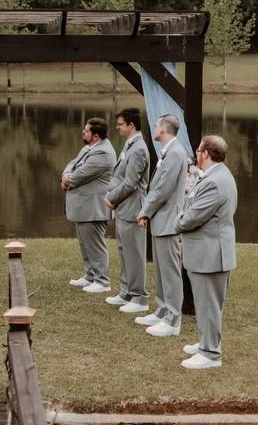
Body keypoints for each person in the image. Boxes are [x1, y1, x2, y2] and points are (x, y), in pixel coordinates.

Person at [176, 135, 238, 370]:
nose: (196, 155)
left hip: (210, 253)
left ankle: (211, 354)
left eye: (198, 150)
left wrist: (178, 220)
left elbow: (191, 218)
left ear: (206, 153)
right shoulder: (217, 176)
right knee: (205, 303)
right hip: (207, 250)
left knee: (209, 304)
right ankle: (206, 342)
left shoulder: (215, 181)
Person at [136, 115, 189, 337]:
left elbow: (163, 189)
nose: (154, 128)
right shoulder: (168, 152)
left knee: (170, 270)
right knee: (160, 269)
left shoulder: (176, 153)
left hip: (168, 220)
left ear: (164, 129)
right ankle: (162, 309)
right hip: (161, 219)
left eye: (157, 125)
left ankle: (173, 319)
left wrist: (144, 210)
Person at [103, 109, 151, 312]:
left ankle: (139, 298)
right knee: (124, 251)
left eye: (121, 124)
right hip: (124, 208)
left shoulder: (139, 148)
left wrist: (111, 198)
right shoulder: (130, 145)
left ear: (132, 125)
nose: (117, 127)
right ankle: (126, 291)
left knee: (134, 254)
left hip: (133, 209)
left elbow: (131, 183)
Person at [62, 118, 116, 292]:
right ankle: (90, 275)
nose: (83, 133)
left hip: (94, 207)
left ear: (95, 136)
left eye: (86, 131)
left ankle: (102, 281)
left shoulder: (103, 153)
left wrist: (67, 180)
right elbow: (72, 164)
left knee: (95, 245)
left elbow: (80, 175)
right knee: (85, 244)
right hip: (84, 206)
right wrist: (66, 175)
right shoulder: (89, 148)